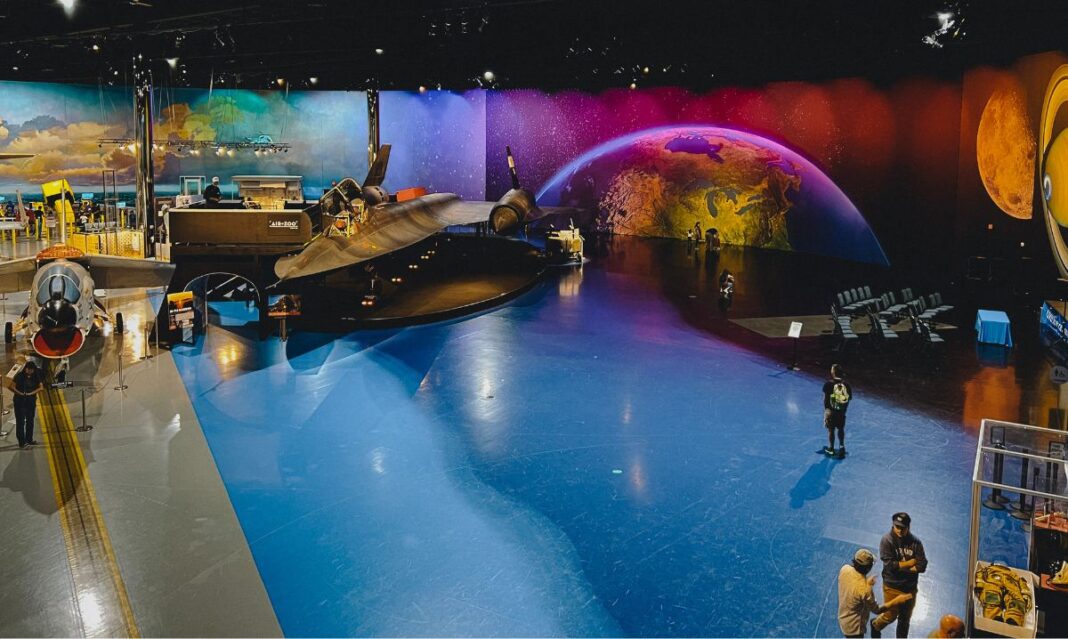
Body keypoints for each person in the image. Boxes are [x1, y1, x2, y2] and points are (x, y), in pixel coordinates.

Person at [873, 512, 928, 638]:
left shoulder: (916, 543)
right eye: (896, 527)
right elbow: (890, 566)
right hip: (892, 587)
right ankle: (876, 625)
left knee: (905, 619)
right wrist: (911, 562)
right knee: (890, 615)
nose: (899, 530)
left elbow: (922, 566)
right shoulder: (887, 540)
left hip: (910, 589)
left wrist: (901, 567)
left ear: (908, 527)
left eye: (902, 528)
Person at [838, 548, 913, 638]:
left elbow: (853, 585)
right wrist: (896, 600)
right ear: (868, 568)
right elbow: (877, 610)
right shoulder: (865, 590)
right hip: (854, 628)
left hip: (843, 618)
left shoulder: (844, 569)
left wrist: (866, 584)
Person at [822, 364, 852, 458]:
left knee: (831, 430)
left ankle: (831, 449)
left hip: (831, 411)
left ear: (833, 372)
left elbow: (826, 399)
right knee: (841, 429)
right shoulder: (846, 385)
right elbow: (849, 398)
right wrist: (843, 409)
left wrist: (827, 410)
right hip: (842, 412)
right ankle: (842, 447)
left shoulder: (829, 384)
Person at [12, 359, 43, 449]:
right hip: (20, 402)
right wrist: (19, 393)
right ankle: (22, 442)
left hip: (30, 401)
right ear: (25, 369)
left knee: (30, 421)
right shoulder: (19, 376)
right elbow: (11, 386)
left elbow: (41, 387)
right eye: (29, 369)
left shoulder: (36, 376)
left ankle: (29, 439)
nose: (30, 371)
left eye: (32, 369)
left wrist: (31, 393)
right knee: (20, 422)